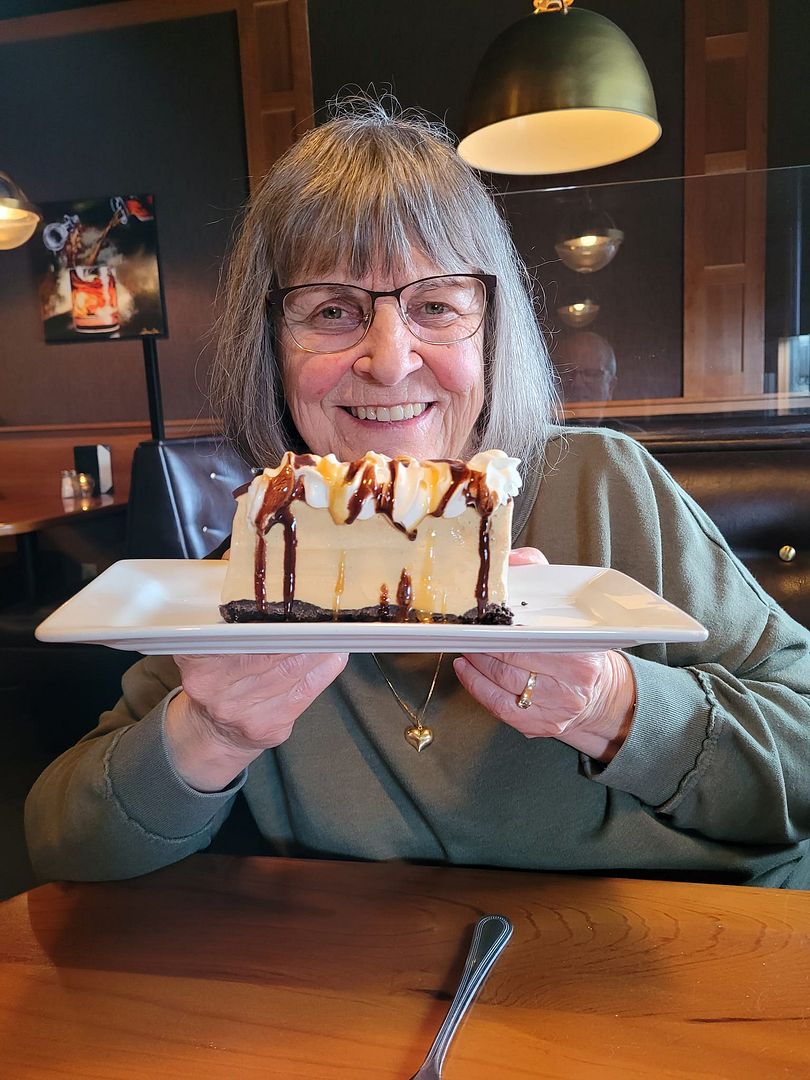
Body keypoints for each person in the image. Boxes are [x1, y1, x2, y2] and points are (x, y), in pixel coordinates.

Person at [25, 101, 810, 888]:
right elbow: (66, 843)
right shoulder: (268, 554)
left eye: (435, 306)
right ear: (271, 348)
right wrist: (208, 735)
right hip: (373, 956)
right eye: (332, 311)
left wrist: (615, 705)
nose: (390, 359)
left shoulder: (604, 486)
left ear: (490, 330)